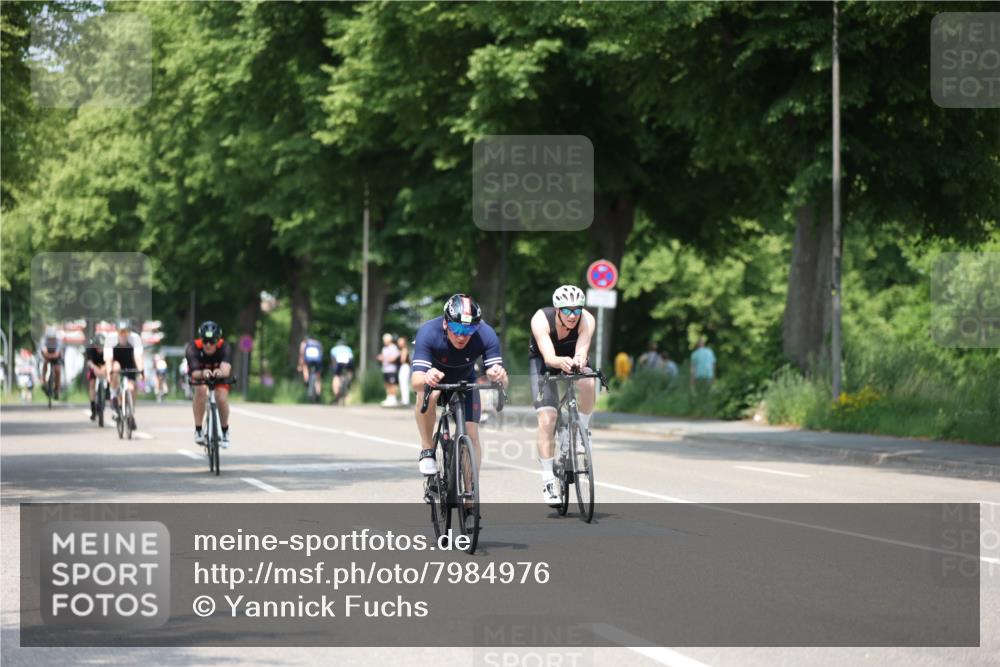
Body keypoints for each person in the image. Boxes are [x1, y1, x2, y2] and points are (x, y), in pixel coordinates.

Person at [412, 294, 508, 478]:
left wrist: (499, 376)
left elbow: (502, 380)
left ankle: (470, 496)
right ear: (446, 323)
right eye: (456, 328)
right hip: (434, 379)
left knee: (471, 434)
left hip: (465, 380)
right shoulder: (429, 332)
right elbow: (415, 382)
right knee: (429, 394)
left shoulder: (485, 334)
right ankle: (427, 448)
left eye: (469, 329)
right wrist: (427, 378)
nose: (462, 335)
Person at [529, 285, 597, 507]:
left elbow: (581, 351)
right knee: (547, 418)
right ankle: (548, 480)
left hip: (571, 360)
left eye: (576, 310)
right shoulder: (541, 319)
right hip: (544, 363)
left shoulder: (586, 320)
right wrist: (560, 362)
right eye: (567, 310)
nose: (572, 315)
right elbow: (549, 357)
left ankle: (581, 431)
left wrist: (578, 361)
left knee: (588, 381)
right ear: (557, 310)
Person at [185, 321, 234, 448]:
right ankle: (199, 430)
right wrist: (203, 373)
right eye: (205, 341)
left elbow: (226, 370)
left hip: (219, 378)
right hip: (201, 376)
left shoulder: (225, 347)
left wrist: (220, 372)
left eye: (212, 341)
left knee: (221, 398)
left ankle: (224, 431)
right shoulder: (193, 347)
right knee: (200, 391)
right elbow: (194, 373)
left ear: (218, 341)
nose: (208, 345)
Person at [104, 320, 145, 430]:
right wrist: (109, 373)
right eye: (121, 332)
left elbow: (138, 357)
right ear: (117, 332)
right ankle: (113, 397)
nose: (123, 334)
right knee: (115, 369)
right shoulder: (111, 339)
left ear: (129, 332)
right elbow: (109, 359)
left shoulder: (135, 338)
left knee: (131, 388)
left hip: (129, 361)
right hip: (116, 361)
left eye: (125, 332)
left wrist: (141, 372)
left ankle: (131, 413)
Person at [84, 334, 108, 420]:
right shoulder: (90, 349)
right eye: (98, 347)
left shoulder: (108, 349)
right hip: (94, 366)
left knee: (110, 376)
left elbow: (110, 360)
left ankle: (107, 393)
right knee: (92, 384)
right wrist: (95, 369)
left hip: (105, 366)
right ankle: (93, 407)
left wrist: (104, 369)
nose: (100, 349)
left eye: (101, 347)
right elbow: (89, 362)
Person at [38, 325, 64, 400]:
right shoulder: (43, 341)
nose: (51, 340)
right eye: (49, 339)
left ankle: (57, 389)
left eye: (52, 339)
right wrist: (47, 355)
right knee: (45, 362)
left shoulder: (58, 341)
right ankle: (43, 381)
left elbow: (57, 354)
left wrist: (50, 355)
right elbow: (44, 351)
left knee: (57, 370)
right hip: (48, 356)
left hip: (56, 357)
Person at [298, 333, 324, 402]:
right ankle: (318, 393)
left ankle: (306, 379)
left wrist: (300, 365)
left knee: (304, 366)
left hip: (308, 359)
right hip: (318, 360)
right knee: (318, 377)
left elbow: (302, 354)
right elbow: (321, 353)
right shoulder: (317, 343)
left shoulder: (304, 343)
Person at [377, 333, 400, 407]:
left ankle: (393, 399)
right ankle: (389, 398)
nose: (384, 341)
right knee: (387, 384)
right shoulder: (384, 348)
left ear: (389, 340)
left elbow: (393, 358)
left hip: (392, 369)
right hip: (385, 369)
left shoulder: (393, 347)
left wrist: (384, 358)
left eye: (385, 340)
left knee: (392, 384)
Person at [329, 338, 354, 402]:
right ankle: (348, 381)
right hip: (348, 362)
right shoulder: (348, 348)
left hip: (338, 363)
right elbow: (351, 358)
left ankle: (336, 391)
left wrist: (333, 367)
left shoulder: (334, 349)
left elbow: (332, 359)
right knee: (350, 371)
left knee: (336, 376)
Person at [396, 336, 412, 406]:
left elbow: (402, 360)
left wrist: (398, 355)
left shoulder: (404, 349)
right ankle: (404, 399)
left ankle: (405, 400)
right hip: (405, 367)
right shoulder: (405, 349)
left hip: (404, 367)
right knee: (403, 383)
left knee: (404, 383)